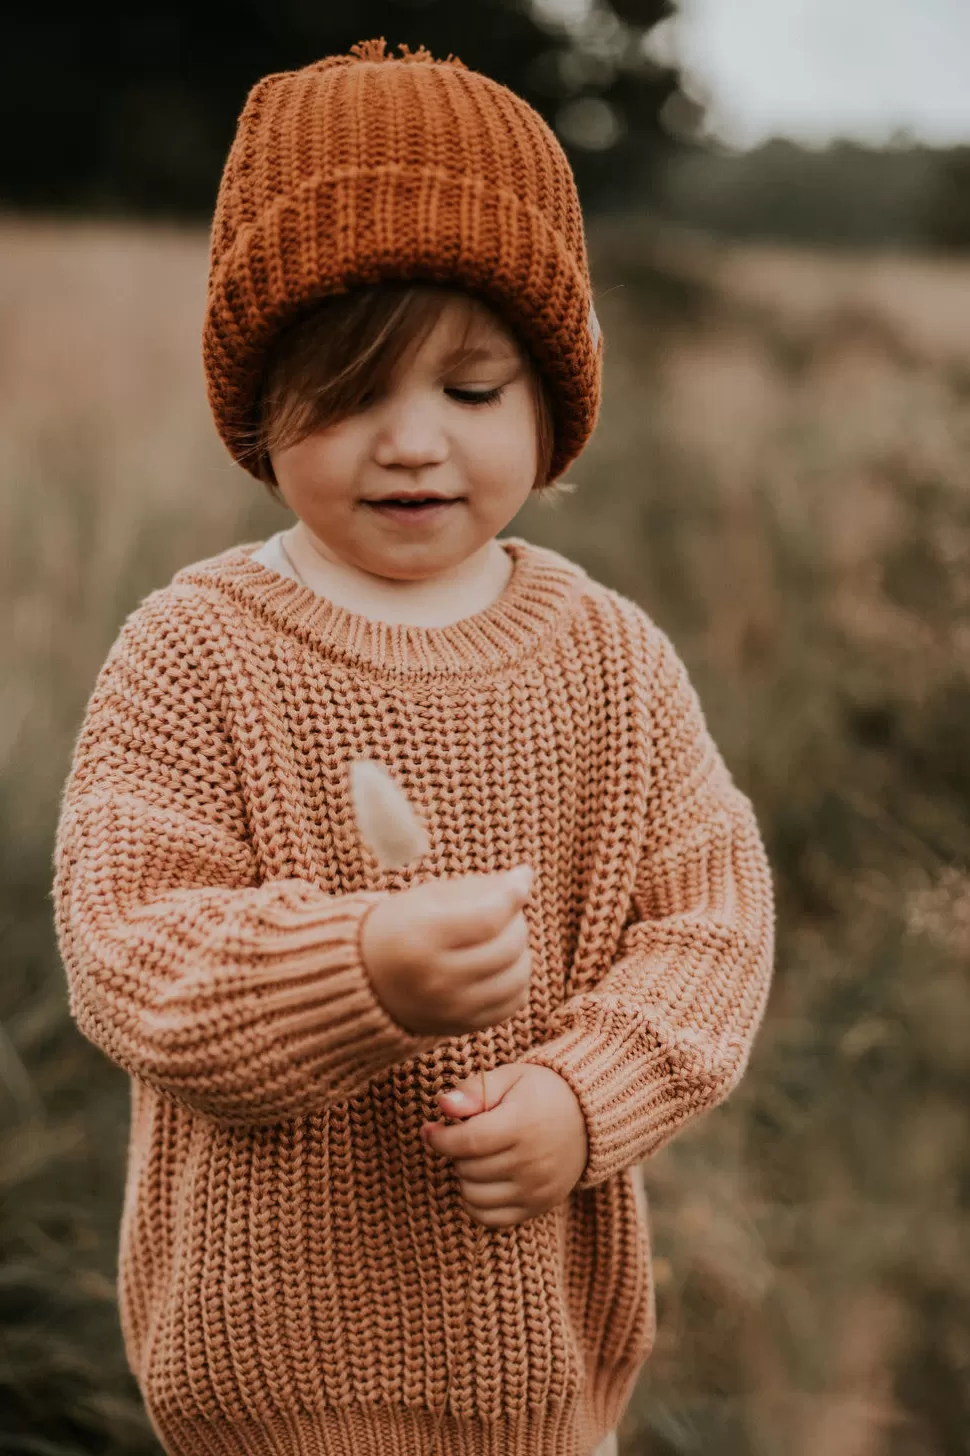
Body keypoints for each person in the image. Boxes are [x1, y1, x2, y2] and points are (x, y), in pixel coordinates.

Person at [51, 37, 775, 1456]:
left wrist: (583, 1096)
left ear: (554, 403)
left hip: (538, 1370)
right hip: (261, 1379)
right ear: (258, 408)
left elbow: (713, 926)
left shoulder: (608, 659)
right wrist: (356, 970)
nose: (410, 442)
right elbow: (129, 949)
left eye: (471, 386)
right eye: (347, 390)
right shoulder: (196, 647)